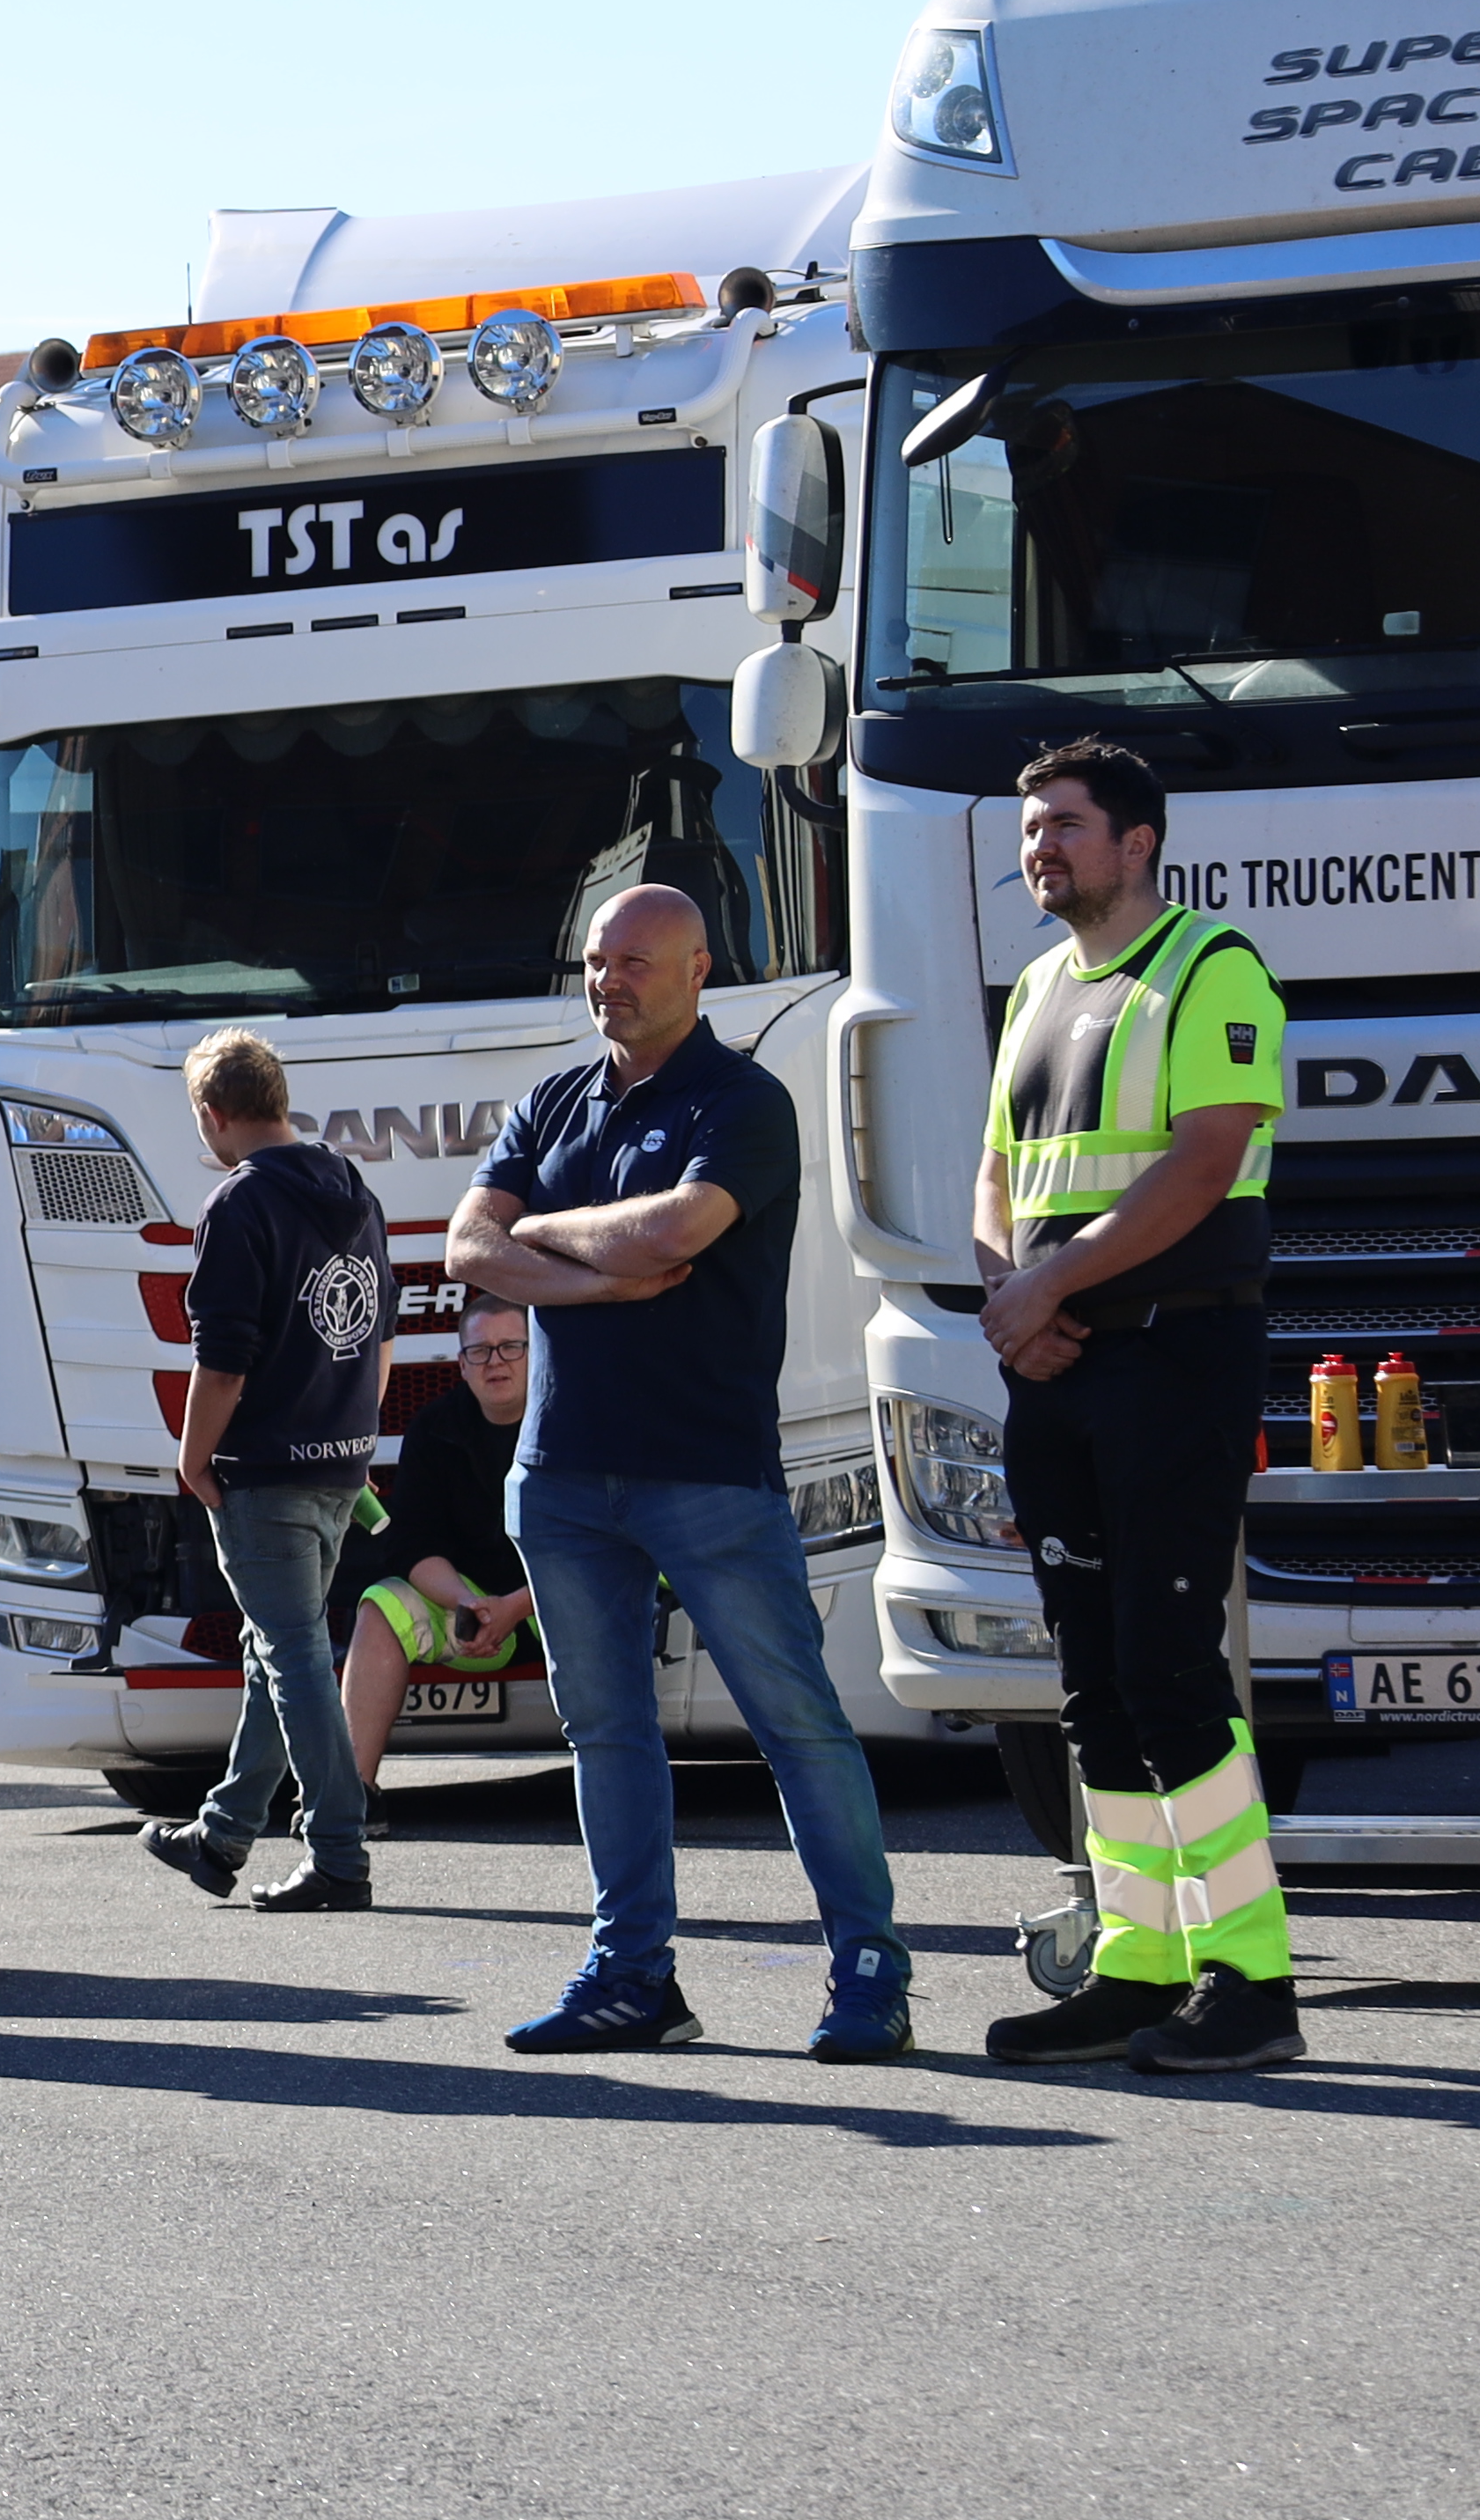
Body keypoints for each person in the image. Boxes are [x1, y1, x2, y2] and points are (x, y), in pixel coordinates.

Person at [445, 884, 914, 2062]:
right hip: (560, 1475)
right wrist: (596, 1273)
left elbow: (672, 1234)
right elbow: (466, 1246)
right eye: (596, 960)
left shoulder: (744, 1101)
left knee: (796, 1725)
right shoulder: (552, 1099)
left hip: (705, 1473)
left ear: (699, 969)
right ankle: (632, 1979)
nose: (608, 980)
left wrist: (543, 1231)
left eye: (635, 962)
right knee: (606, 1733)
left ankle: (871, 1974)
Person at [968, 737, 1302, 2074]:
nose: (1039, 847)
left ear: (1138, 840)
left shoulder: (1211, 967)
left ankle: (1253, 1977)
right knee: (1093, 1682)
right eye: (1030, 828)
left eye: (1064, 824)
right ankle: (1138, 1964)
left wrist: (1045, 1288)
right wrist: (1014, 1302)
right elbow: (999, 1172)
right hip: (1060, 1368)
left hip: (1174, 1357)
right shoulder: (1037, 988)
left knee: (1168, 1670)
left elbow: (1205, 1164)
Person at [143, 1029, 394, 1917]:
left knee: (293, 1657)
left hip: (266, 1471)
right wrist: (353, 1439)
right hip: (340, 1465)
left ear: (213, 1114)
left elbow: (223, 1360)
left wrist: (192, 1455)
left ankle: (339, 1854)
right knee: (276, 1650)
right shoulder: (355, 1190)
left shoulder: (238, 1204)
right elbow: (378, 1337)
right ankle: (221, 1835)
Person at [343, 1300, 538, 1787]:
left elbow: (597, 1551)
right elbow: (413, 1543)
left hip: (563, 1612)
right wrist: (469, 1605)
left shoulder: (571, 1422)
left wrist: (516, 1606)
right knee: (381, 1606)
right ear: (462, 1365)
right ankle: (352, 1799)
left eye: (511, 1347)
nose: (495, 1361)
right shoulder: (434, 1429)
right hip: (478, 1619)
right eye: (480, 1351)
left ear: (538, 1353)